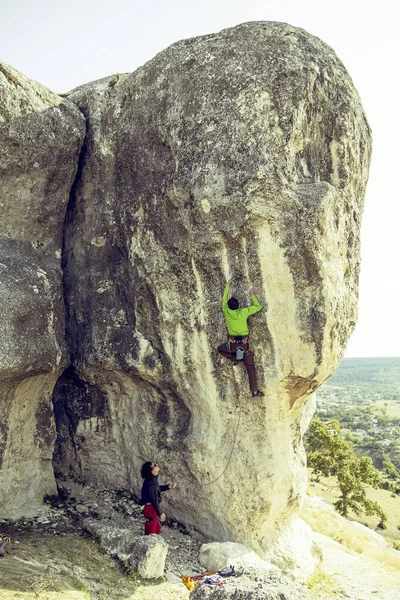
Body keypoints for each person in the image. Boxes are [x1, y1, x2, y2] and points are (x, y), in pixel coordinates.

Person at [217, 278, 264, 397]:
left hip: (232, 345)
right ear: (238, 306)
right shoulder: (243, 312)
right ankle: (254, 391)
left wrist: (227, 285)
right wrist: (252, 295)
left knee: (220, 349)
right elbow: (258, 307)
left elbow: (224, 299)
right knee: (250, 367)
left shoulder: (226, 311)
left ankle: (235, 359)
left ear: (228, 306)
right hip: (244, 345)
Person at [140, 461, 177, 535]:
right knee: (152, 531)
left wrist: (168, 486)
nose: (156, 465)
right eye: (154, 465)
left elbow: (156, 489)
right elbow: (154, 500)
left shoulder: (151, 479)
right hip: (150, 507)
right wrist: (160, 513)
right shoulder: (151, 481)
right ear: (152, 470)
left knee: (156, 528)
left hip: (150, 507)